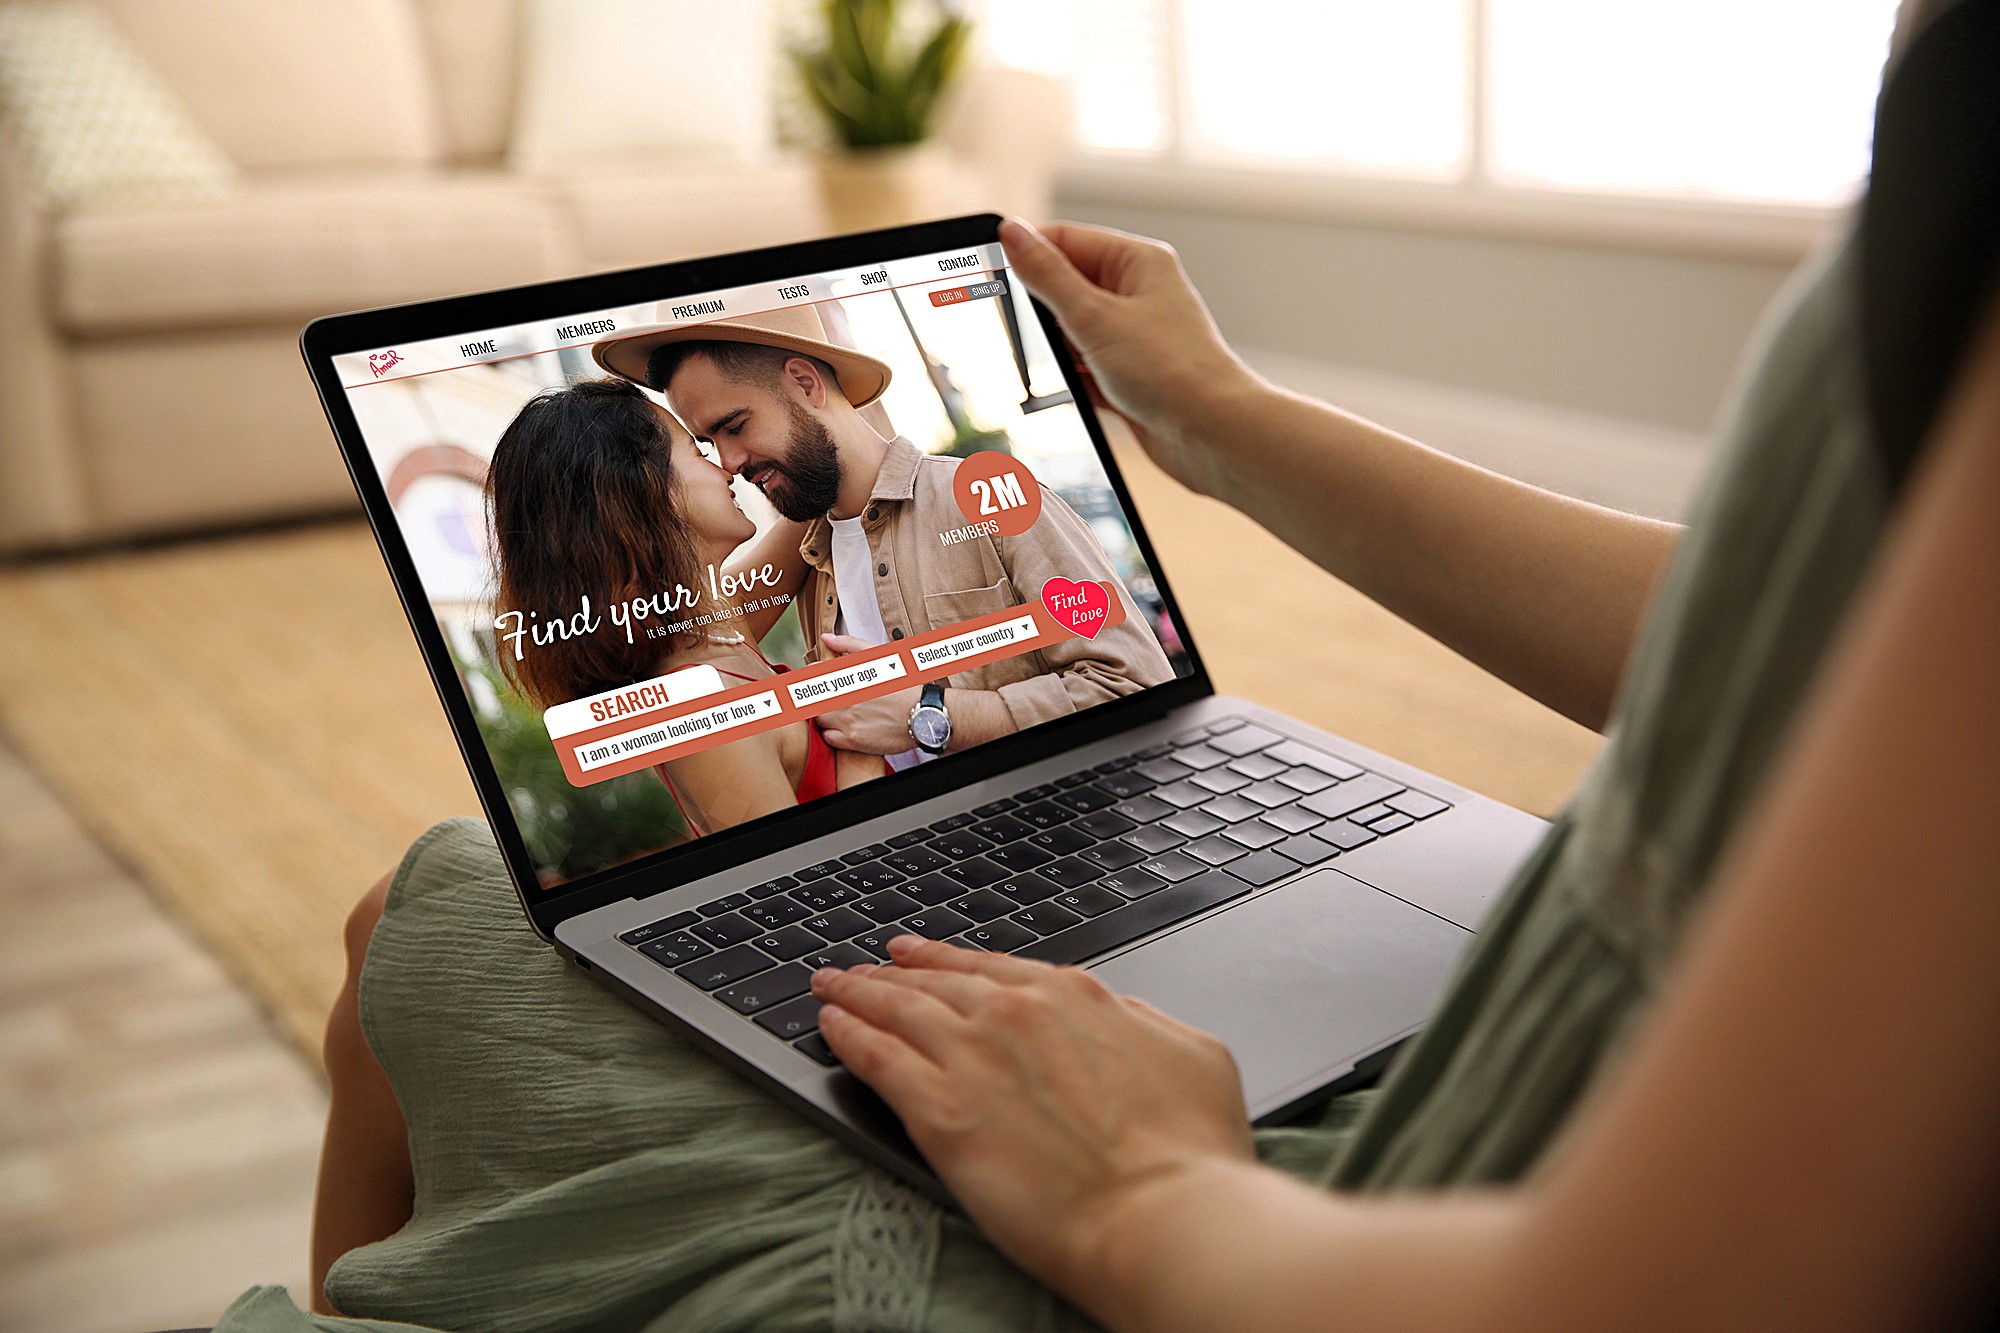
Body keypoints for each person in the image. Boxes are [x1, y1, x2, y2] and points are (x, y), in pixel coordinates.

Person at [230, 2, 1996, 1328]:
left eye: (732, 424)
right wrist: (1215, 421)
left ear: (820, 388)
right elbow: (1796, 641)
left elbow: (1703, 1274)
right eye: (693, 449)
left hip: (1351, 1207)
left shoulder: (942, 518)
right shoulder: (788, 563)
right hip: (1181, 935)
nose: (731, 463)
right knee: (446, 903)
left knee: (435, 911)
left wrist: (1147, 1188)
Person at [592, 306, 1175, 769]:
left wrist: (934, 715)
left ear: (804, 381)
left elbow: (1136, 683)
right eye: (707, 444)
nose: (731, 462)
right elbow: (696, 636)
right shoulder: (806, 553)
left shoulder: (985, 496)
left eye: (736, 426)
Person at [485, 377, 886, 838]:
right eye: (698, 453)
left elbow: (819, 496)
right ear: (644, 492)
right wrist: (861, 740)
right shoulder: (695, 707)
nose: (727, 471)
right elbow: (793, 884)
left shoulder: (708, 627)